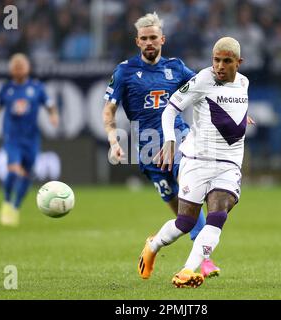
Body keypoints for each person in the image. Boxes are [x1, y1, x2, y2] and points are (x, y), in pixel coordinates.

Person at [102, 12, 220, 278]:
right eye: (144, 38)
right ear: (137, 41)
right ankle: (154, 245)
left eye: (153, 37)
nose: (149, 42)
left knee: (192, 194)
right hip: (146, 149)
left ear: (162, 39)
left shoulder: (176, 67)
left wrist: (229, 109)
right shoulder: (124, 71)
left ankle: (204, 262)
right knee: (180, 211)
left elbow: (205, 87)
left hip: (177, 138)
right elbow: (108, 111)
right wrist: (113, 140)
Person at [139, 36, 248, 288]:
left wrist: (243, 118)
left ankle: (187, 271)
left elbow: (231, 107)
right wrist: (169, 141)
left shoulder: (244, 83)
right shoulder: (202, 79)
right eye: (216, 60)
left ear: (238, 63)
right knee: (185, 223)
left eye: (226, 61)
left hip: (229, 164)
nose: (219, 66)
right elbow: (170, 109)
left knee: (218, 215)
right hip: (197, 160)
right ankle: (153, 244)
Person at [0, 53, 59, 227]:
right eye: (15, 66)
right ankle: (7, 201)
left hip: (31, 139)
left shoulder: (37, 88)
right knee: (14, 170)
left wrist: (53, 115)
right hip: (12, 137)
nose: (18, 69)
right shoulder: (6, 89)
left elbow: (49, 104)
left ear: (28, 68)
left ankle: (16, 207)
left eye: (21, 65)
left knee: (27, 175)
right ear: (10, 69)